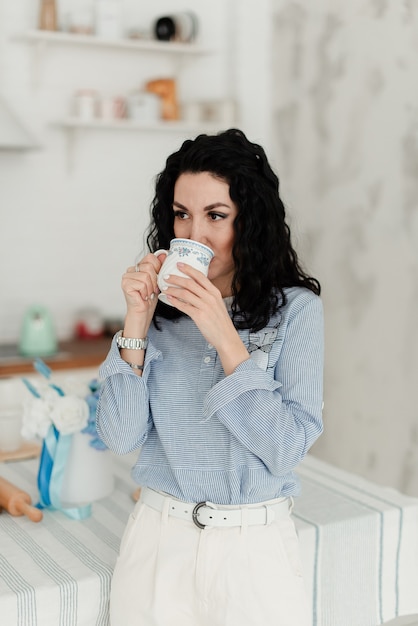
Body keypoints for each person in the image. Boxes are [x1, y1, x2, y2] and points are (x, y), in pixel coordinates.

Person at [96, 128, 324, 626]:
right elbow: (119, 435)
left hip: (254, 552)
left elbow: (286, 449)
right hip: (157, 543)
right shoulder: (159, 315)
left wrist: (224, 335)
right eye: (182, 214)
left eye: (216, 216)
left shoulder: (296, 312)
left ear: (251, 222)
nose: (193, 236)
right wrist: (136, 318)